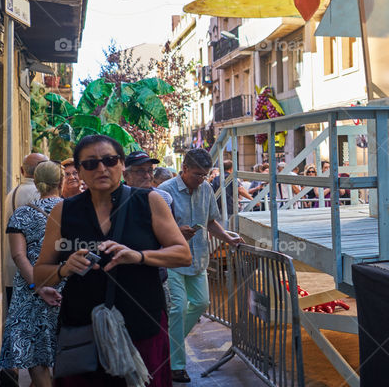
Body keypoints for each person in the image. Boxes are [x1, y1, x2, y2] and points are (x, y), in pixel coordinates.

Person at [34, 135, 191, 386]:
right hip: (83, 329)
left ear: (121, 165)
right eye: (90, 163)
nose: (101, 168)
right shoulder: (63, 211)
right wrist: (64, 268)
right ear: (79, 171)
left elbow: (183, 254)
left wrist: (139, 256)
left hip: (142, 325)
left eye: (109, 160)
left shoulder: (148, 202)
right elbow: (40, 275)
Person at [158, 148, 243, 383]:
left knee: (202, 302)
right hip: (173, 258)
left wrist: (228, 238)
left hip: (198, 257)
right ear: (184, 169)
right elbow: (155, 228)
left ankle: (167, 343)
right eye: (197, 174)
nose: (201, 179)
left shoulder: (205, 188)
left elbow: (210, 220)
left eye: (205, 175)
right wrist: (177, 231)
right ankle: (176, 364)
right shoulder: (164, 192)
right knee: (177, 309)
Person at [0, 161, 65, 387]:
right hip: (66, 286)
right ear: (62, 182)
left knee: (36, 356)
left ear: (35, 182)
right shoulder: (72, 211)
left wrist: (36, 286)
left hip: (30, 291)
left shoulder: (22, 214)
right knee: (65, 351)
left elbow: (18, 256)